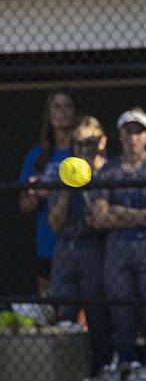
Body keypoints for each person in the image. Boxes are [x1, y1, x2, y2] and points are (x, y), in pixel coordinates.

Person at [90, 108, 146, 368]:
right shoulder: (108, 171)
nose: (133, 137)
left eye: (139, 131)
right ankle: (126, 380)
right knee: (121, 319)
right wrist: (142, 213)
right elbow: (100, 218)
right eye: (128, 131)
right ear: (120, 135)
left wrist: (120, 211)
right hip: (117, 248)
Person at [47, 116, 111, 372]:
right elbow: (54, 223)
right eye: (78, 144)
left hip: (94, 248)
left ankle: (101, 373)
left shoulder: (109, 172)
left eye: (90, 142)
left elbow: (99, 221)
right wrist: (65, 189)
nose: (84, 149)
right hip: (65, 248)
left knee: (97, 317)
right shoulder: (66, 171)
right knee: (64, 318)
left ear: (102, 142)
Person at [19, 90, 80, 296]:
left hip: (80, 241)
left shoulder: (83, 153)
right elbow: (24, 205)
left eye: (67, 106)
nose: (62, 112)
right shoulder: (36, 156)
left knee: (80, 312)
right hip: (47, 242)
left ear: (75, 113)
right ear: (49, 114)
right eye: (57, 106)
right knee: (49, 307)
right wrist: (36, 193)